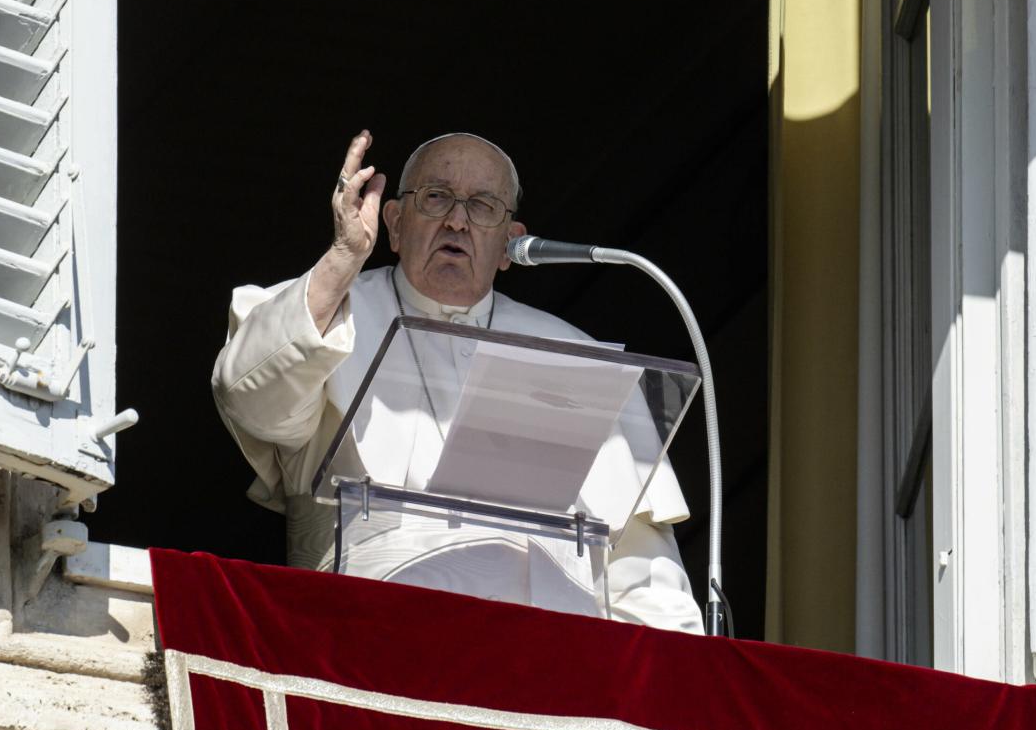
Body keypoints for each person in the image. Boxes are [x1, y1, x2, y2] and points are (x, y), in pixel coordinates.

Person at [212, 130, 704, 633]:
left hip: (556, 657)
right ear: (396, 224)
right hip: (370, 636)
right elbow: (252, 401)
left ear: (510, 243)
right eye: (436, 197)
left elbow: (642, 571)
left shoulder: (574, 352)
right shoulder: (326, 311)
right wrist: (342, 258)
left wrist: (681, 679)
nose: (457, 220)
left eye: (483, 206)